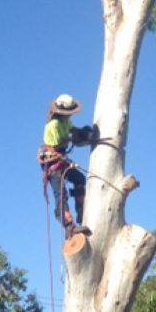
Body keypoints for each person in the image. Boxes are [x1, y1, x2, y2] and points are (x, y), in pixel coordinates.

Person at [38, 93, 96, 238]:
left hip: (62, 160)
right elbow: (60, 143)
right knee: (61, 194)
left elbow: (72, 130)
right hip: (52, 162)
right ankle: (69, 227)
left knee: (79, 179)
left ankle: (81, 211)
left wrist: (81, 132)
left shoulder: (65, 122)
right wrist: (75, 138)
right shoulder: (53, 125)